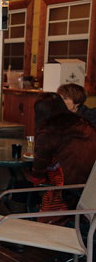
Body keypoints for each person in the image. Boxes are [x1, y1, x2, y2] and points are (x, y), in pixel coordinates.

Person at [29, 93, 96, 223]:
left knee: (21, 184)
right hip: (90, 188)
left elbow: (38, 174)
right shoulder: (83, 123)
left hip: (68, 190)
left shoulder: (47, 132)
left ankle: (25, 225)